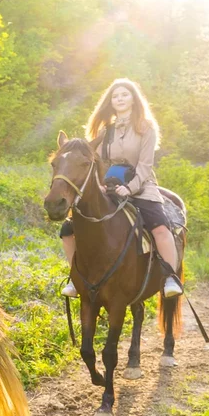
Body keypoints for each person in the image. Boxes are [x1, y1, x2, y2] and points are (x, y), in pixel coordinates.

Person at [60, 78, 182, 299]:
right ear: (111, 102)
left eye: (124, 94)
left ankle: (169, 277)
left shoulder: (146, 127)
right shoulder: (107, 131)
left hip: (142, 186)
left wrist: (131, 187)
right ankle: (76, 277)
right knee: (67, 230)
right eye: (115, 96)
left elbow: (146, 165)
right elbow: (98, 163)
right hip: (111, 187)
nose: (120, 99)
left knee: (161, 228)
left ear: (134, 99)